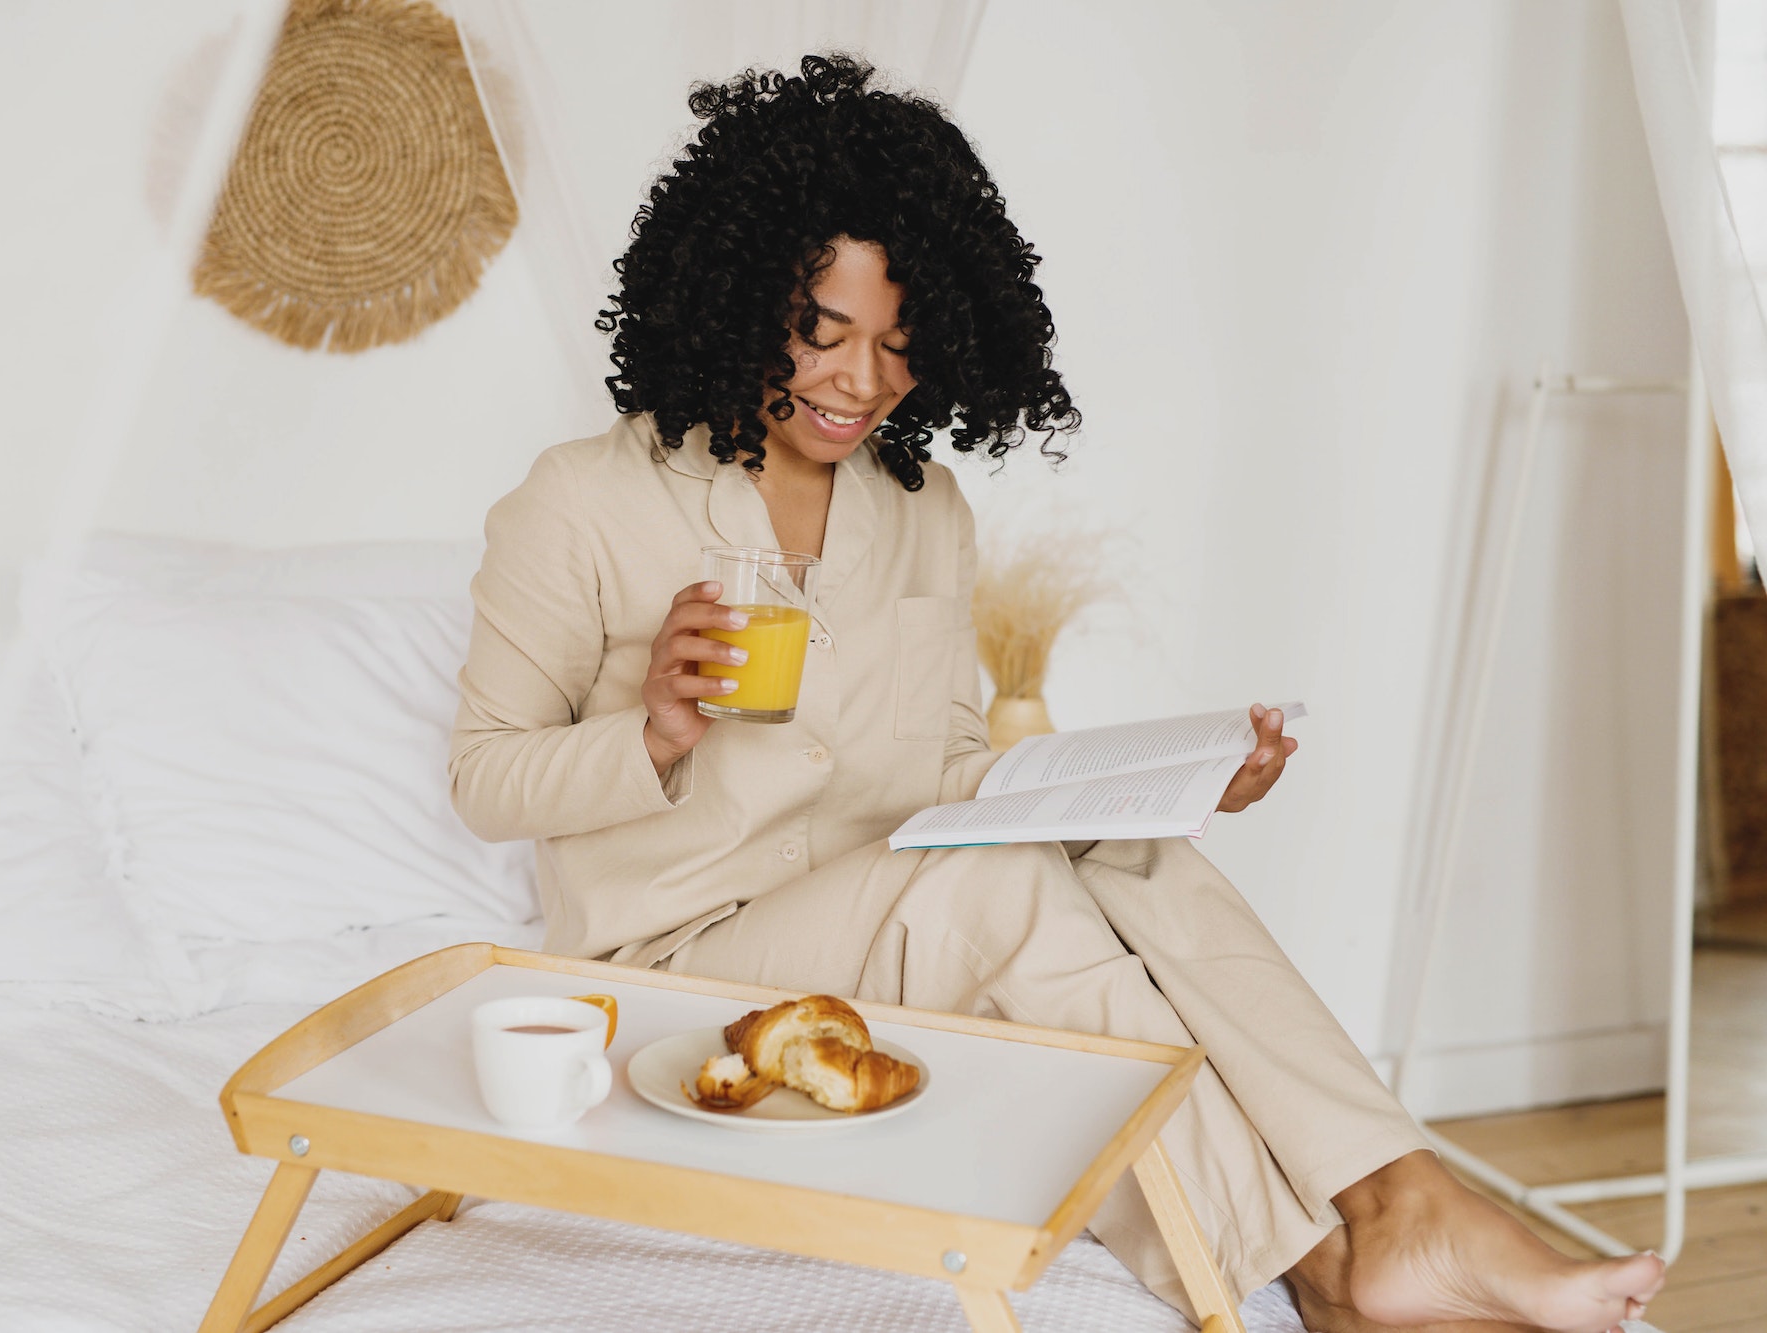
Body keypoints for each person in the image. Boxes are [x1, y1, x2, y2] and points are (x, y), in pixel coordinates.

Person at [449, 54, 1664, 1333]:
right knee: (996, 891)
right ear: (740, 290)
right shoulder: (577, 501)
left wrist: (1163, 780)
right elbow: (483, 774)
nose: (860, 383)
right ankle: (1309, 1272)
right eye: (824, 332)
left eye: (900, 347)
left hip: (878, 916)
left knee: (1137, 852)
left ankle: (1400, 1196)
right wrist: (647, 728)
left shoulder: (922, 510)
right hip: (675, 962)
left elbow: (949, 760)